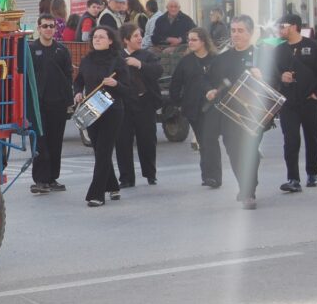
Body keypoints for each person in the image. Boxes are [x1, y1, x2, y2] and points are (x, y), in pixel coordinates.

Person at [206, 15, 269, 209]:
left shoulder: (261, 55)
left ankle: (248, 193)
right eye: (233, 30)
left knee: (249, 151)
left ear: (250, 33)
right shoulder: (222, 58)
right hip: (229, 114)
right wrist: (210, 91)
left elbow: (274, 83)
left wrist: (262, 76)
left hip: (254, 114)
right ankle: (245, 185)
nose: (236, 34)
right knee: (234, 152)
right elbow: (210, 80)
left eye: (240, 31)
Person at [274, 13, 317, 191]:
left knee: (312, 138)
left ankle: (312, 173)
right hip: (288, 103)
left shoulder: (314, 47)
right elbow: (271, 75)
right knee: (290, 140)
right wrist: (281, 78)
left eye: (282, 26)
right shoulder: (279, 50)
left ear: (293, 26)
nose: (280, 29)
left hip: (310, 102)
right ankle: (293, 179)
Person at [73, 25, 129, 207]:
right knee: (99, 151)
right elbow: (79, 80)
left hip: (112, 110)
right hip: (91, 109)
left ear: (110, 40)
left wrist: (115, 83)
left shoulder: (118, 61)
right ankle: (112, 185)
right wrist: (78, 93)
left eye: (101, 37)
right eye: (95, 37)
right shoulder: (87, 60)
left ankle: (96, 194)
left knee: (104, 151)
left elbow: (128, 89)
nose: (96, 39)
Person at [169, 27, 222, 188]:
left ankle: (214, 177)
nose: (190, 43)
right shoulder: (186, 61)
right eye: (189, 39)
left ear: (203, 41)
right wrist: (177, 102)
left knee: (210, 140)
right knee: (202, 141)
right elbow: (176, 83)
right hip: (193, 108)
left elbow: (224, 79)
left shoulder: (215, 59)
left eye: (194, 40)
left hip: (213, 107)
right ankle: (207, 175)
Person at [29, 13, 74, 194]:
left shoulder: (62, 51)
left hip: (58, 103)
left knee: (56, 142)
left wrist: (69, 101)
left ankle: (52, 178)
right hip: (38, 105)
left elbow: (68, 75)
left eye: (51, 26)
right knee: (40, 142)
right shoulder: (30, 50)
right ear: (38, 28)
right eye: (45, 26)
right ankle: (40, 179)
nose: (48, 29)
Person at [115, 23, 162, 188]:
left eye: (140, 35)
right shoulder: (117, 57)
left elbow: (158, 71)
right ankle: (126, 177)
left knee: (148, 140)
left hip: (144, 103)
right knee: (122, 142)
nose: (140, 38)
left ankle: (150, 174)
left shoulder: (147, 55)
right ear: (126, 40)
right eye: (135, 36)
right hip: (124, 105)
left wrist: (139, 64)